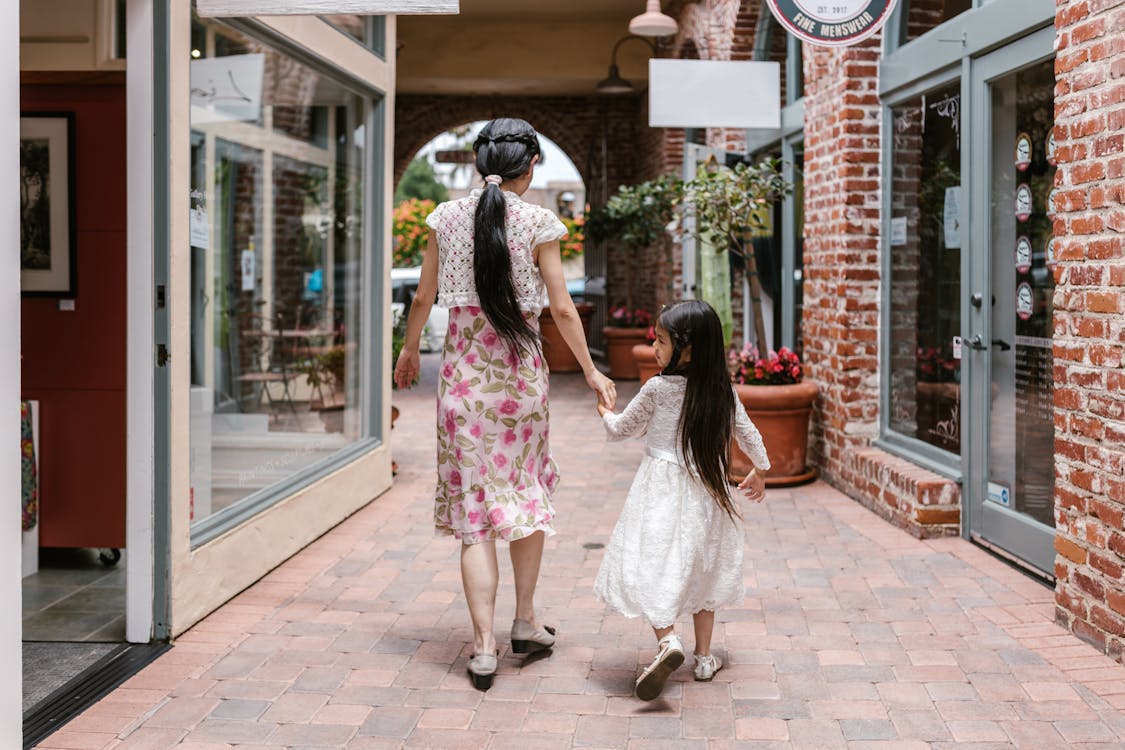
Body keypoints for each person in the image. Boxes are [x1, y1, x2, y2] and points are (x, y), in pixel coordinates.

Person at [394, 117, 616, 691]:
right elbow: (563, 310)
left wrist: (409, 350)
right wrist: (592, 372)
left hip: (463, 392)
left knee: (476, 518)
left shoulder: (444, 218)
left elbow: (423, 296)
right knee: (523, 499)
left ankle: (483, 646)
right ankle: (524, 622)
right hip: (520, 389)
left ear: (478, 162)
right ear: (532, 164)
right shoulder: (539, 222)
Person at [594, 300, 769, 701]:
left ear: (687, 349)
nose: (654, 347)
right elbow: (749, 434)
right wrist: (762, 469)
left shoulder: (657, 388)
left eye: (660, 341)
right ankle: (704, 658)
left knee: (653, 562)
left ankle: (668, 639)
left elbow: (623, 429)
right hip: (707, 490)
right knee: (701, 570)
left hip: (660, 490)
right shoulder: (721, 390)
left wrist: (604, 411)